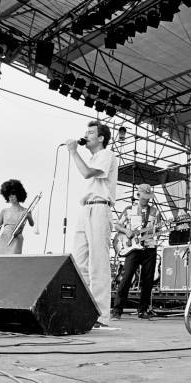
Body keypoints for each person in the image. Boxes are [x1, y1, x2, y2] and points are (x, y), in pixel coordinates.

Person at [66, 121, 118, 329]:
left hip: (99, 208)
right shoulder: (94, 157)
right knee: (79, 262)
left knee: (98, 262)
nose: (86, 135)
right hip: (86, 208)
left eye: (90, 132)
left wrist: (73, 152)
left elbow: (88, 173)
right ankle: (84, 309)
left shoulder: (107, 154)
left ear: (101, 138)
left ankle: (102, 315)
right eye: (85, 132)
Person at [112, 184, 158, 320]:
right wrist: (127, 231)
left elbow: (158, 231)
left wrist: (153, 234)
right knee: (126, 279)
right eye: (144, 197)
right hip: (133, 248)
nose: (146, 200)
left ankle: (143, 310)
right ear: (138, 196)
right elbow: (116, 225)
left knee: (148, 281)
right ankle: (117, 310)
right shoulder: (129, 209)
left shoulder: (155, 211)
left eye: (148, 197)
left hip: (149, 247)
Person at [0, 179, 34, 255]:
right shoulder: (4, 211)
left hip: (17, 238)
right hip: (4, 239)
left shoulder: (26, 210)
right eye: (9, 194)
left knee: (13, 261)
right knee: (1, 262)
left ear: (18, 194)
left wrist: (29, 216)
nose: (11, 196)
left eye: (13, 194)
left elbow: (32, 224)